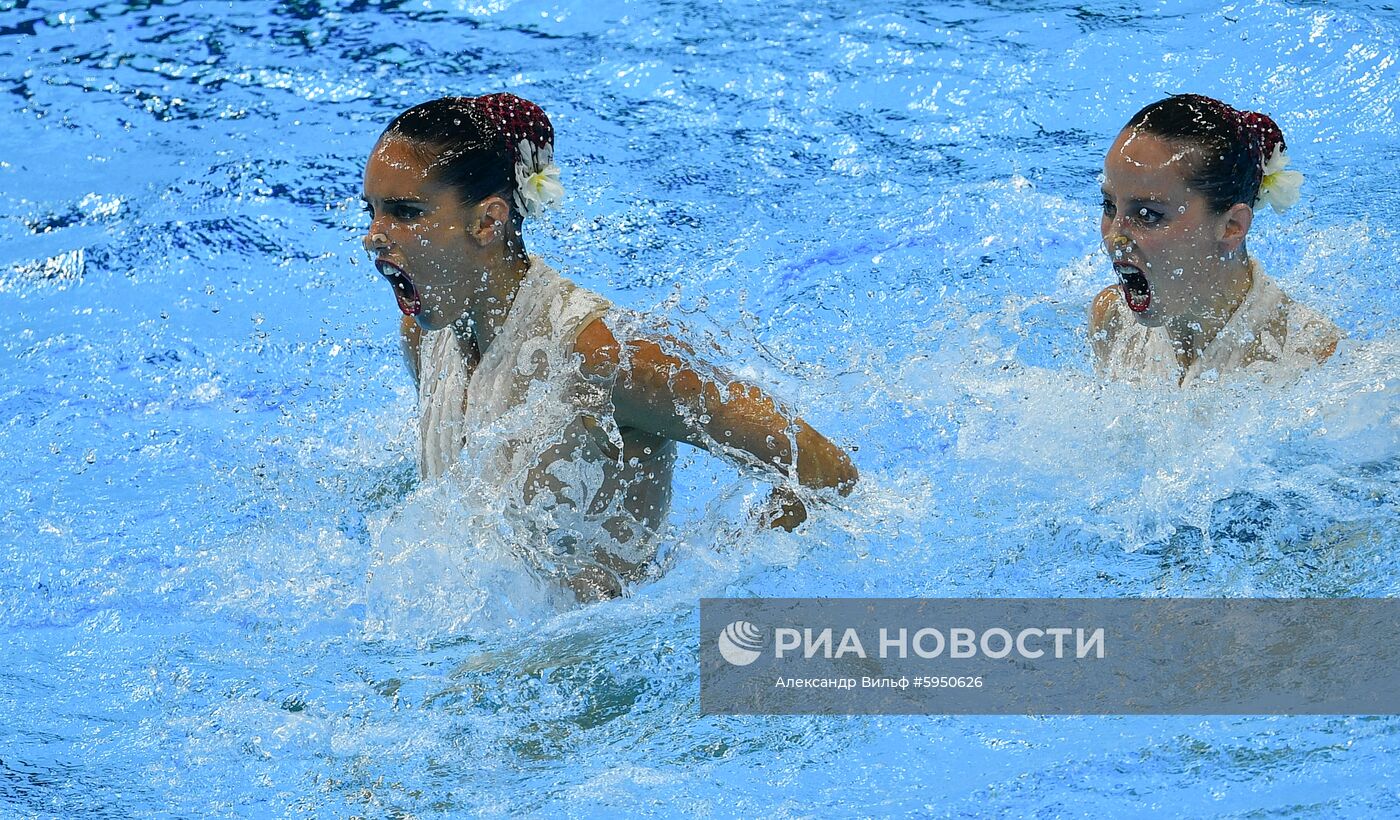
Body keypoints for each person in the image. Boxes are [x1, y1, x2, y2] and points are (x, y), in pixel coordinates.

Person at [360, 93, 857, 601]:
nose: (374, 237)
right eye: (371, 211)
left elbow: (823, 469)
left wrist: (698, 587)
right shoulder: (425, 333)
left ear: (488, 221)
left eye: (405, 212)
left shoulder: (605, 354)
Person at [1089, 93, 1341, 386]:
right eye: (1109, 206)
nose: (1114, 237)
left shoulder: (1311, 358)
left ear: (1232, 226)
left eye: (1147, 214)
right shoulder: (1112, 321)